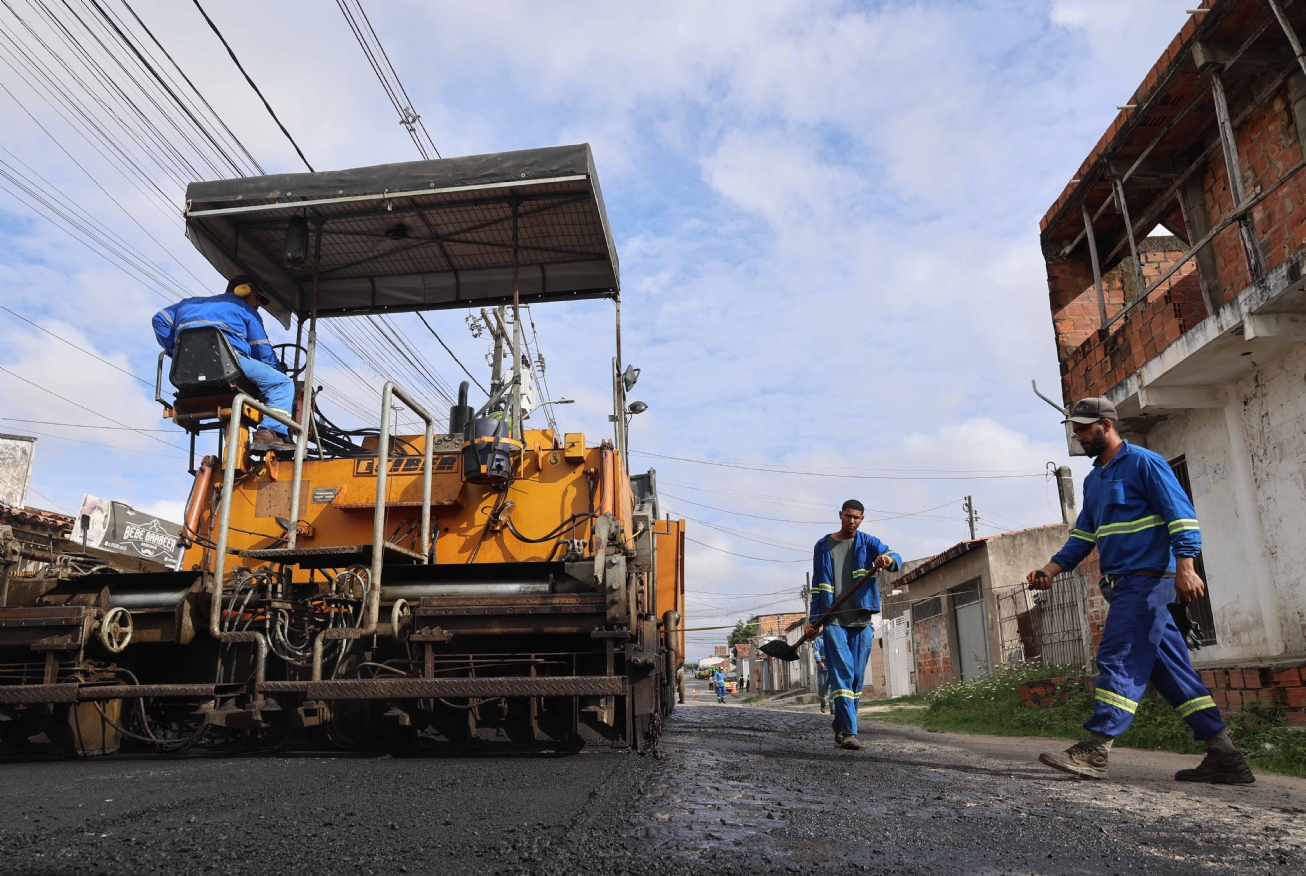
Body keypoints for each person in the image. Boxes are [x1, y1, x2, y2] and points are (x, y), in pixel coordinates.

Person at [1028, 397, 1253, 784]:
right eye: (1075, 430)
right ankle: (1225, 756)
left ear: (1107, 425)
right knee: (1171, 672)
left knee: (1120, 655)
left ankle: (1096, 748)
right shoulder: (1094, 479)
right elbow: (1084, 534)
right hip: (1124, 583)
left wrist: (1186, 567)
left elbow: (1180, 515)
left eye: (1084, 428)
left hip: (1149, 581)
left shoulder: (1145, 463)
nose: (1078, 436)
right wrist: (1051, 567)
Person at [153, 275, 296, 452]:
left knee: (230, 406)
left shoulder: (187, 304)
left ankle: (233, 450)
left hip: (186, 371)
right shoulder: (246, 310)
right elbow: (262, 350)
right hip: (229, 364)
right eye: (257, 298)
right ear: (244, 291)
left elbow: (159, 319)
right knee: (282, 384)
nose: (258, 304)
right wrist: (277, 371)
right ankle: (268, 432)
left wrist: (177, 352)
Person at [805, 499, 900, 750]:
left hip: (861, 620)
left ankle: (841, 721)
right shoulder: (823, 546)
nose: (852, 521)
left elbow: (893, 554)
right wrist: (814, 620)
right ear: (840, 515)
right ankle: (849, 732)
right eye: (848, 516)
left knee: (857, 678)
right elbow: (817, 587)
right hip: (834, 620)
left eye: (857, 517)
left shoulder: (867, 543)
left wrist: (886, 561)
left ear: (862, 519)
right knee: (843, 673)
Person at [813, 634, 830, 713]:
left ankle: (833, 708)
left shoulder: (833, 638)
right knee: (823, 687)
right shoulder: (819, 640)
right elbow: (816, 651)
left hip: (833, 668)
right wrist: (819, 662)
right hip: (823, 668)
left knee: (834, 688)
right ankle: (823, 703)